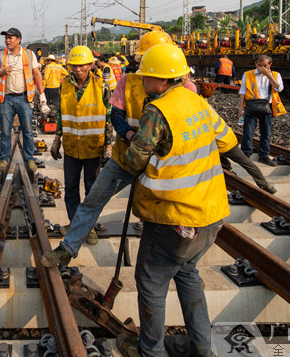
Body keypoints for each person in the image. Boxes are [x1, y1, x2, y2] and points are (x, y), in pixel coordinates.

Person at [42, 32, 273, 269]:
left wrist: (255, 174)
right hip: (126, 158)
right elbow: (118, 117)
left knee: (159, 216)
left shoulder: (187, 91)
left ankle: (177, 268)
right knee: (93, 200)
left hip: (162, 166)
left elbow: (219, 136)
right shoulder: (130, 82)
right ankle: (68, 248)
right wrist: (131, 136)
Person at [114, 43, 236, 357]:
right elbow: (227, 140)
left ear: (164, 80)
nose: (142, 81)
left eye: (147, 77)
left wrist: (126, 145)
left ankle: (150, 350)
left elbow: (135, 160)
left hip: (174, 215)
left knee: (151, 280)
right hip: (211, 214)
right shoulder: (196, 101)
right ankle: (201, 348)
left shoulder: (158, 110)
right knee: (186, 272)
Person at [49, 46, 109, 245]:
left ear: (90, 65)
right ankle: (75, 223)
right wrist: (57, 140)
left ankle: (89, 227)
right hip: (72, 148)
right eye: (74, 65)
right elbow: (60, 114)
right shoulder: (64, 85)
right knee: (71, 189)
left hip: (93, 147)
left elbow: (109, 118)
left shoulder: (102, 86)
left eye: (82, 65)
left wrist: (108, 146)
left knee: (92, 191)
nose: (78, 69)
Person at [0, 28, 48, 174]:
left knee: (27, 130)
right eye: (6, 38)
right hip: (6, 98)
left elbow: (37, 74)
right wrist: (1, 72)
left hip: (24, 98)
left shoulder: (28, 54)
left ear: (18, 39)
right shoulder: (1, 55)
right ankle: (4, 158)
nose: (7, 40)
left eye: (10, 38)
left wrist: (42, 95)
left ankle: (29, 158)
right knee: (6, 131)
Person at [238, 54, 286, 165]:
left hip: (267, 106)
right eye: (259, 65)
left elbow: (278, 88)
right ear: (255, 64)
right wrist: (241, 107)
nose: (262, 68)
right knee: (248, 131)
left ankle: (264, 155)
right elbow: (242, 91)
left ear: (270, 64)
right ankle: (246, 154)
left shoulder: (275, 75)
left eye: (265, 65)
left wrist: (269, 76)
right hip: (251, 105)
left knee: (266, 132)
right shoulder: (248, 74)